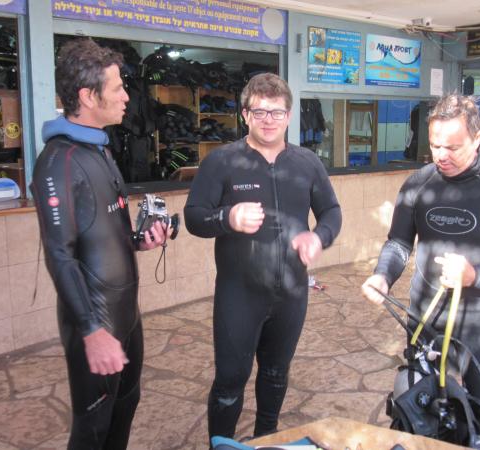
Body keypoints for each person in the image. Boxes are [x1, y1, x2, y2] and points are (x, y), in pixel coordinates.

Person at [31, 38, 172, 449]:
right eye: (117, 89)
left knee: (125, 406)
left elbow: (104, 233)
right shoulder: (59, 162)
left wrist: (139, 241)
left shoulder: (99, 149)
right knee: (92, 428)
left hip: (125, 313)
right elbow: (60, 254)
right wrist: (92, 331)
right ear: (87, 96)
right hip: (95, 320)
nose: (127, 96)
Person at [184, 73, 342, 443]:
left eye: (276, 112)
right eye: (259, 111)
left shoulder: (307, 163)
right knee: (229, 381)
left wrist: (319, 238)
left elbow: (332, 211)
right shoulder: (222, 162)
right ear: (244, 114)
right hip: (239, 294)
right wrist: (228, 217)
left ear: (289, 116)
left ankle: (265, 438)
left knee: (275, 374)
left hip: (291, 293)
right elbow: (193, 216)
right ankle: (220, 444)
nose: (268, 120)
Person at [361, 94, 480, 407]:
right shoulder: (419, 184)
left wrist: (476, 275)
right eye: (434, 145)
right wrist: (382, 276)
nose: (441, 155)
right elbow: (399, 242)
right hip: (425, 315)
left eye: (453, 147)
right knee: (419, 410)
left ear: (478, 137)